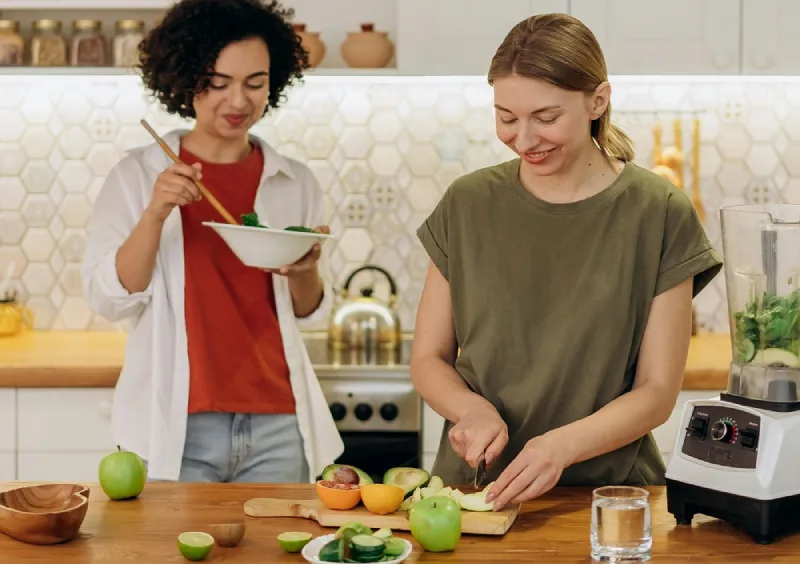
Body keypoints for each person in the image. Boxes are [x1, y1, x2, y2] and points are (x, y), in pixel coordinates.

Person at [410, 13, 722, 511]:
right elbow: (428, 359)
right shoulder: (467, 203)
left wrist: (559, 447)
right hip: (474, 493)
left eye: (546, 117)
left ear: (598, 100)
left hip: (609, 499)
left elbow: (658, 391)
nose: (525, 139)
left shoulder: (658, 212)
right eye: (507, 117)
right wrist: (470, 409)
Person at [81, 0, 343, 483]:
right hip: (178, 420)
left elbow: (306, 310)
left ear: (275, 82)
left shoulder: (295, 181)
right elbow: (109, 297)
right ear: (184, 81)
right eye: (218, 83)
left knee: (274, 558)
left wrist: (306, 269)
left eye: (255, 83)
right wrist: (156, 213)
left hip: (279, 421)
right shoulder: (138, 176)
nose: (238, 101)